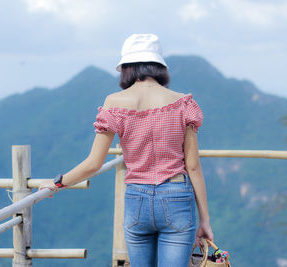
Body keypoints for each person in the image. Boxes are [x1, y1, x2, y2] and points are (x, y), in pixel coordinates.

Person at [39, 33, 214, 267]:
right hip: (176, 196)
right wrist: (205, 220)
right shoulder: (182, 103)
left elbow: (94, 163)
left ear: (125, 68)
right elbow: (193, 166)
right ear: (160, 66)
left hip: (137, 199)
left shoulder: (114, 103)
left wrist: (58, 182)